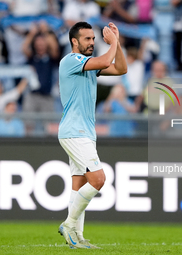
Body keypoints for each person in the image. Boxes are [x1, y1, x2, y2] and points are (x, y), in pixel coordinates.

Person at [57, 21, 127, 249]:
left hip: (84, 132)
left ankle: (76, 236)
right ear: (74, 42)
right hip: (74, 132)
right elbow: (107, 60)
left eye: (94, 39)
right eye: (87, 39)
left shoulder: (87, 64)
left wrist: (118, 43)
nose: (92, 43)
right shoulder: (71, 61)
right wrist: (113, 43)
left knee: (79, 184)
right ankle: (68, 225)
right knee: (98, 180)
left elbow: (120, 69)